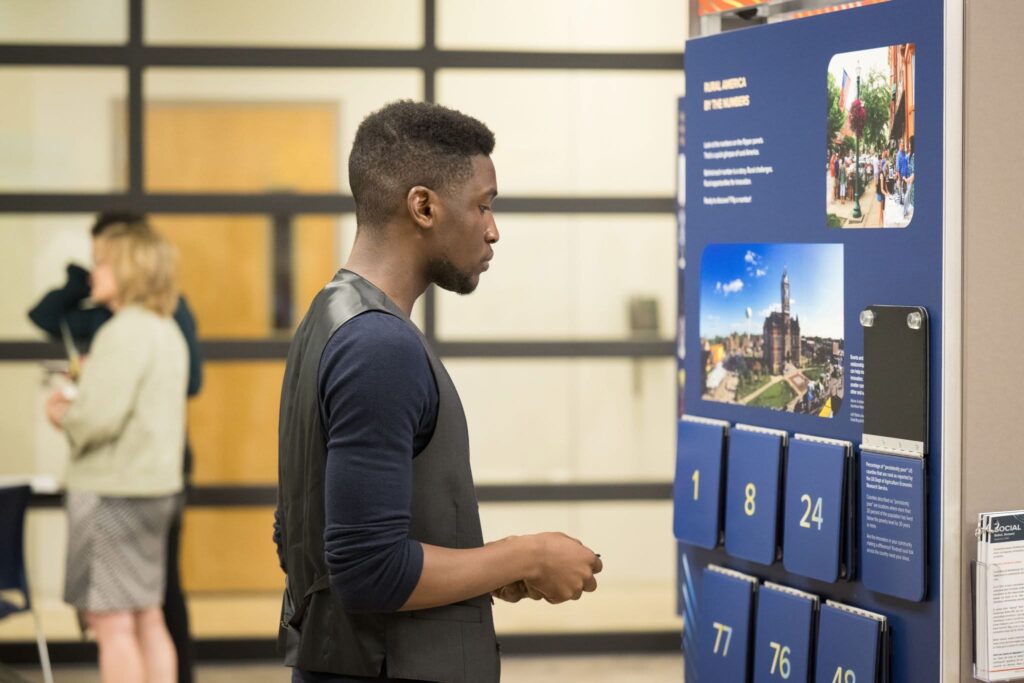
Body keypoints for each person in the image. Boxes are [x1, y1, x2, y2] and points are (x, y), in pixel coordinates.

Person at [275, 100, 602, 683]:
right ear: (423, 206)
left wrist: (487, 572)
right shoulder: (379, 347)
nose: (493, 229)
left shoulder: (330, 317)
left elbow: (313, 534)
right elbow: (367, 569)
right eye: (483, 205)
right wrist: (530, 555)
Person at [28, 213, 201, 683]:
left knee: (112, 622)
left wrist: (63, 413)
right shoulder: (166, 331)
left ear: (127, 269)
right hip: (156, 491)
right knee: (147, 613)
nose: (93, 273)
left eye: (102, 263)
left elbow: (98, 419)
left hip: (112, 495)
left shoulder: (122, 333)